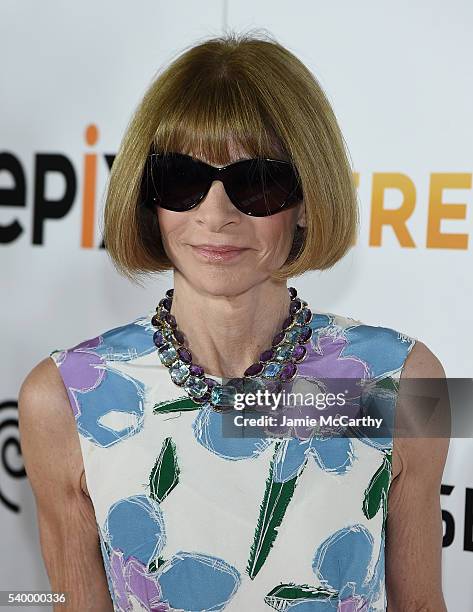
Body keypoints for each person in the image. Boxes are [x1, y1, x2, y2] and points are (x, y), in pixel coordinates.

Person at [18, 31, 449, 612]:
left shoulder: (402, 381)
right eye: (183, 179)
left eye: (257, 182)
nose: (215, 215)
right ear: (149, 197)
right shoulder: (65, 399)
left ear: (306, 201)